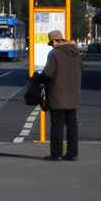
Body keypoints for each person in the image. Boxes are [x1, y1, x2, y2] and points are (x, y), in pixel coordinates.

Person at [39, 29, 82, 161]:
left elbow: (48, 73)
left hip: (57, 94)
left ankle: (56, 153)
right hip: (73, 93)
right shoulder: (76, 52)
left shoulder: (54, 53)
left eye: (51, 43)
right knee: (72, 124)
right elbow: (81, 69)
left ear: (54, 41)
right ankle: (72, 153)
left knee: (57, 124)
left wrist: (40, 78)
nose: (52, 45)